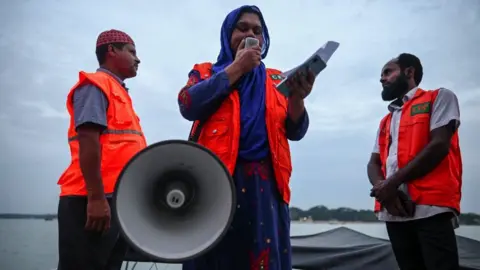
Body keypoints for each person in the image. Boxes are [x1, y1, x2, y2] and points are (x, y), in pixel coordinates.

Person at [177, 5, 313, 270]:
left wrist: (298, 98)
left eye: (258, 30)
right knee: (211, 257)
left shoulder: (276, 79)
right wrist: (237, 67)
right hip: (212, 182)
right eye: (243, 28)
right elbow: (188, 104)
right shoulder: (205, 72)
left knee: (262, 257)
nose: (251, 34)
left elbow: (296, 131)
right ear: (228, 33)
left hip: (264, 186)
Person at [56, 29, 146, 270]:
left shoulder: (120, 93)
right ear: (112, 51)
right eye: (132, 52)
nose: (138, 59)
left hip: (113, 201)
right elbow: (88, 141)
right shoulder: (96, 85)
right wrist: (95, 199)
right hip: (89, 200)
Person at [367, 53, 462, 270]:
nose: (382, 78)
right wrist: (385, 192)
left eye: (388, 72)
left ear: (409, 72)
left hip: (431, 208)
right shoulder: (386, 120)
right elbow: (373, 163)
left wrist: (391, 184)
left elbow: (439, 146)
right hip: (394, 210)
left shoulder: (439, 97)